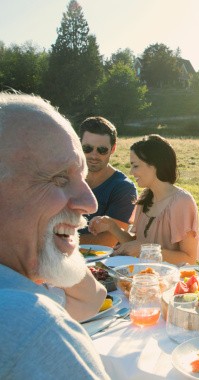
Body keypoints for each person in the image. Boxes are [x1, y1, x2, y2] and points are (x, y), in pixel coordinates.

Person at [0, 92, 109, 378]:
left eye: (82, 179)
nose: (90, 203)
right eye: (59, 178)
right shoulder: (35, 326)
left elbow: (90, 299)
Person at [88, 134, 199, 265]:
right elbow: (135, 245)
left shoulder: (182, 202)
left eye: (135, 166)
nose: (131, 172)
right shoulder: (145, 198)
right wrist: (112, 227)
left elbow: (189, 259)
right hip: (142, 276)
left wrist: (145, 249)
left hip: (168, 281)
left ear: (154, 165)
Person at [78, 116, 137, 247]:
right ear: (78, 145)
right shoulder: (65, 177)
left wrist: (54, 245)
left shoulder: (123, 188)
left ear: (113, 149)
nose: (94, 155)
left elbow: (107, 241)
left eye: (102, 150)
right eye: (87, 148)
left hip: (98, 263)